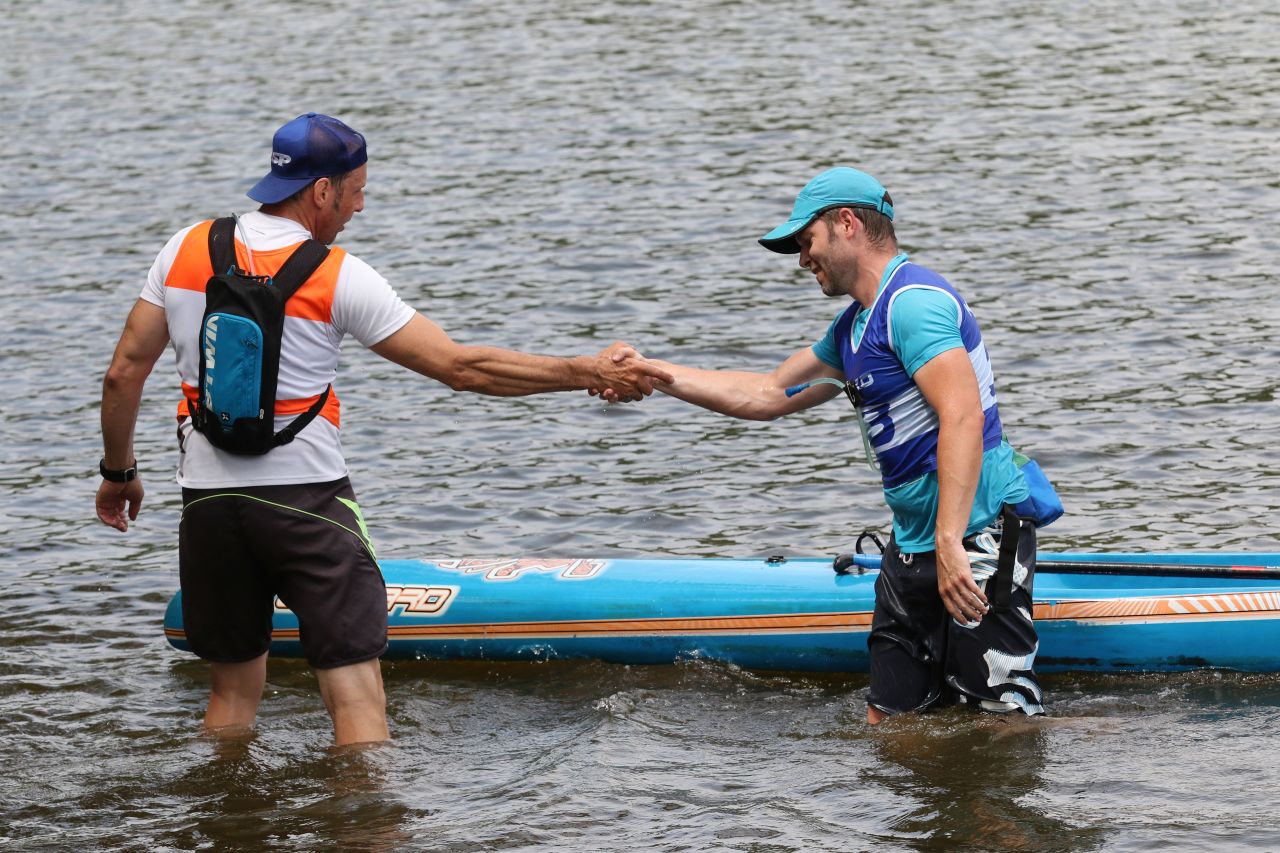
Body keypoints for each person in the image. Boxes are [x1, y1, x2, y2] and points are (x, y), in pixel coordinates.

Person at [95, 112, 673, 747]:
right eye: (357, 189)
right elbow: (461, 368)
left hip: (207, 503)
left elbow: (124, 374)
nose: (360, 206)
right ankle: (368, 831)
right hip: (307, 505)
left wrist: (119, 473)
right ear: (322, 190)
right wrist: (585, 370)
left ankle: (222, 818)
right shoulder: (335, 273)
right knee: (355, 692)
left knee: (231, 692)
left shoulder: (183, 248)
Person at [630, 166, 1045, 723]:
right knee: (888, 722)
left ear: (846, 223)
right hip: (916, 540)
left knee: (1001, 724)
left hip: (976, 533)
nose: (804, 259)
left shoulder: (914, 305)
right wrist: (654, 373)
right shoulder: (852, 329)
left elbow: (963, 415)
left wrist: (950, 544)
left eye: (807, 242)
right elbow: (766, 393)